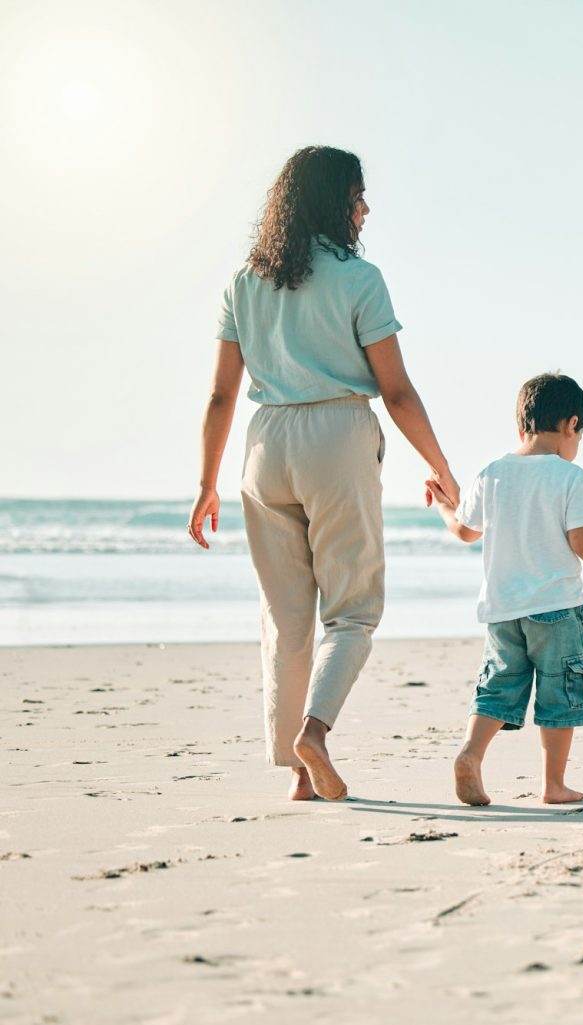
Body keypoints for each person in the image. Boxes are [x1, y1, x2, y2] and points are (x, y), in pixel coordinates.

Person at [188, 146, 459, 802]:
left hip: (265, 445)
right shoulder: (359, 278)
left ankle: (297, 773)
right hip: (337, 436)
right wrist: (439, 463)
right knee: (353, 611)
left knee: (284, 617)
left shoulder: (244, 282)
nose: (366, 209)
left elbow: (222, 395)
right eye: (358, 196)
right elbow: (395, 391)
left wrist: (206, 483)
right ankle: (314, 732)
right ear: (334, 201)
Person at [428, 373, 583, 807]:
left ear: (521, 426)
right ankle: (553, 784)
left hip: (502, 611)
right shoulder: (571, 477)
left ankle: (471, 755)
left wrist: (442, 504)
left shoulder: (492, 473)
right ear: (571, 425)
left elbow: (464, 531)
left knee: (497, 688)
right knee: (560, 694)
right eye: (578, 435)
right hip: (556, 610)